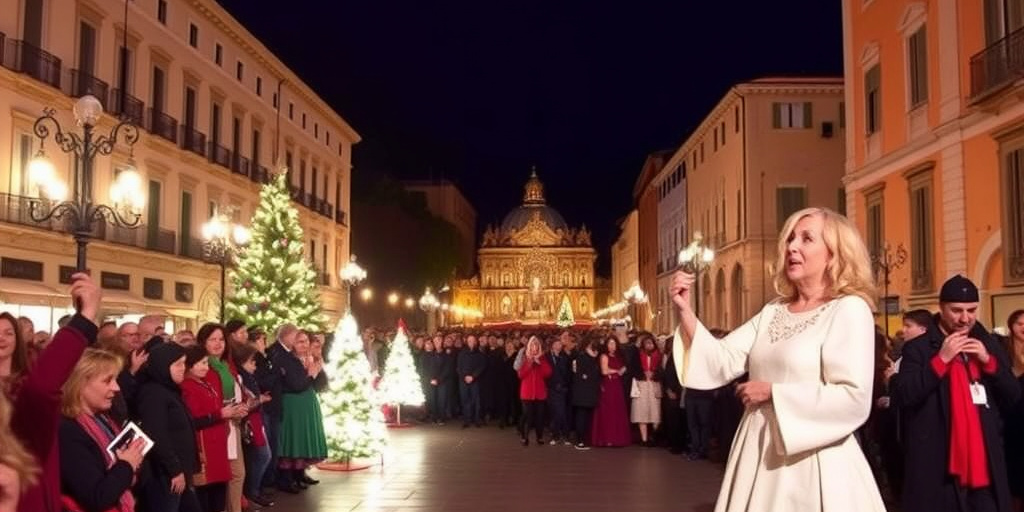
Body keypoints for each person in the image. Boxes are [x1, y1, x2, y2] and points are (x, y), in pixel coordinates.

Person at [670, 206, 885, 511]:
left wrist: (774, 393)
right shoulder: (774, 311)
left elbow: (853, 397)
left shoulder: (848, 309)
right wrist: (685, 311)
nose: (792, 246)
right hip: (759, 450)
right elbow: (721, 359)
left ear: (834, 254)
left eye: (807, 239)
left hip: (814, 459)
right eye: (790, 238)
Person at [891, 276, 1020, 512]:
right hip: (939, 469)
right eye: (957, 310)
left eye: (971, 310)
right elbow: (904, 395)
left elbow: (1014, 396)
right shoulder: (917, 349)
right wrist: (940, 361)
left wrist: (989, 363)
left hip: (986, 468)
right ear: (941, 308)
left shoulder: (989, 345)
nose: (965, 318)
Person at [2, 273, 101, 512]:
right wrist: (84, 319)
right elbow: (42, 386)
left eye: (8, 332)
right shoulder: (30, 392)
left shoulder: (22, 386)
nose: (2, 338)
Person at [59, 348, 144, 512]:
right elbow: (97, 496)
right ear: (80, 384)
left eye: (116, 379)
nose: (117, 387)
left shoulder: (103, 419)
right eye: (107, 381)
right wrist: (127, 464)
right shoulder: (67, 431)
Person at [590, 336, 632, 448]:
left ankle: (617, 438)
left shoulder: (618, 356)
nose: (612, 346)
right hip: (608, 385)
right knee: (607, 411)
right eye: (610, 343)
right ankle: (606, 438)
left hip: (617, 384)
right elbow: (604, 371)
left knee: (617, 410)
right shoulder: (604, 356)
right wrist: (617, 371)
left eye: (614, 343)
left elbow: (621, 370)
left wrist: (621, 370)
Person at [516, 336, 551, 446]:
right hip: (527, 393)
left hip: (540, 393)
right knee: (528, 416)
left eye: (536, 345)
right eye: (532, 345)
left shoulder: (543, 358)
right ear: (529, 346)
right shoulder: (524, 358)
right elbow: (521, 375)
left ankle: (539, 437)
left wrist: (540, 363)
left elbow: (548, 373)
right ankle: (525, 437)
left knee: (540, 416)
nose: (534, 347)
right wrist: (530, 362)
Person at [570, 337, 600, 449]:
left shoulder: (594, 358)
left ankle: (584, 438)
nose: (593, 347)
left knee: (587, 416)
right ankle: (580, 440)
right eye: (591, 345)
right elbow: (580, 374)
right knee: (581, 416)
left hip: (590, 391)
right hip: (582, 392)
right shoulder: (581, 357)